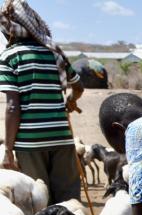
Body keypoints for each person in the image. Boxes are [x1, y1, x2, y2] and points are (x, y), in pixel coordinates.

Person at [0, 0, 84, 203]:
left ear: (10, 29)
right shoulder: (54, 52)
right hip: (61, 137)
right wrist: (71, 101)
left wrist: (8, 149)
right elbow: (78, 87)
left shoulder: (10, 57)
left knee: (40, 202)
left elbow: (13, 107)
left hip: (30, 143)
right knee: (67, 201)